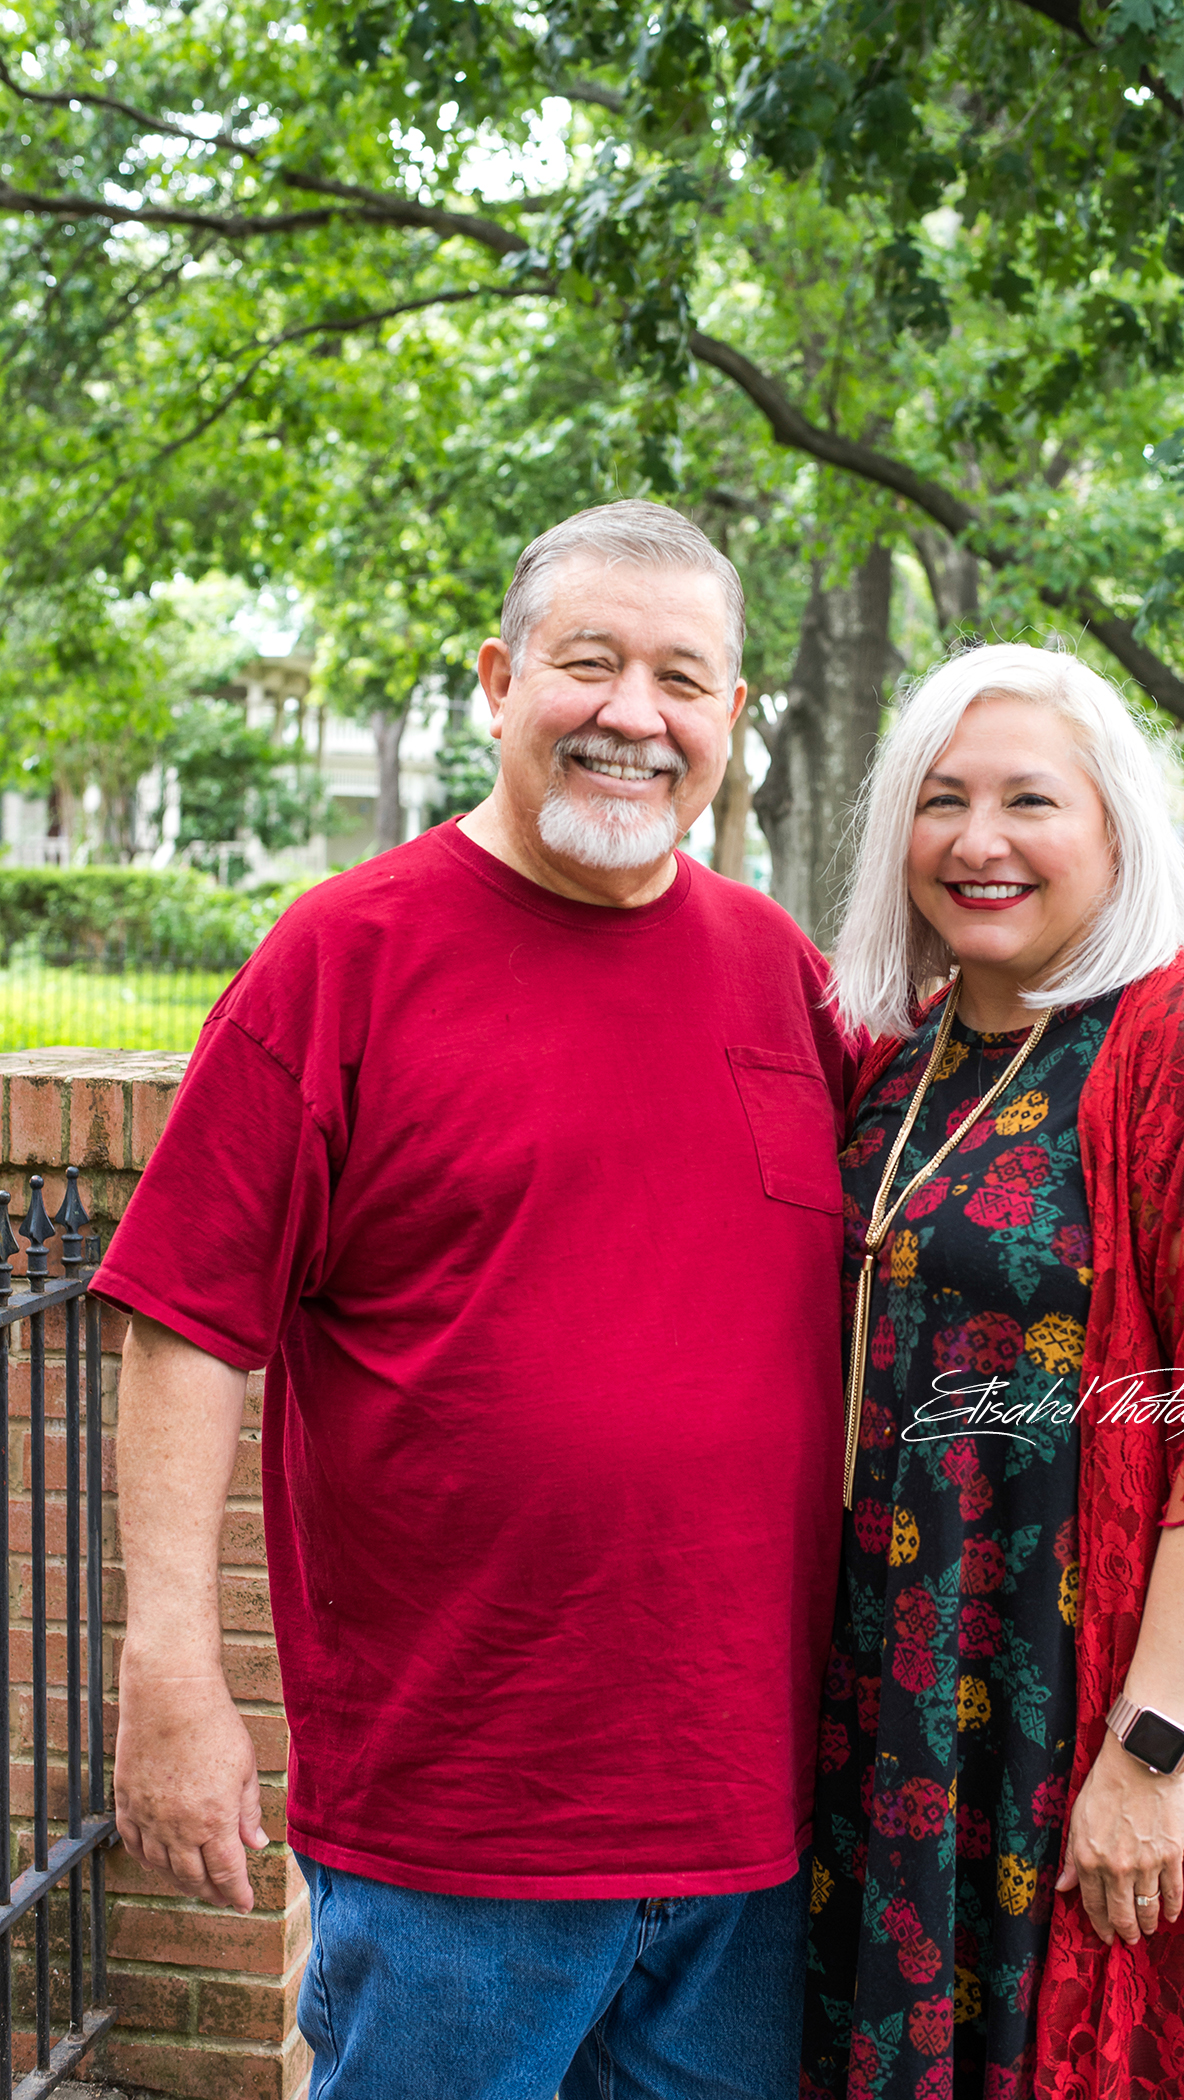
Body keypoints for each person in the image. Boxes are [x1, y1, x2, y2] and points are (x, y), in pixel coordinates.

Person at [95, 501, 863, 2100]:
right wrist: (170, 1669)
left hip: (748, 1823)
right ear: (500, 681)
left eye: (680, 678)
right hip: (458, 1832)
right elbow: (183, 1326)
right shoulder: (343, 957)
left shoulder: (778, 971)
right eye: (589, 663)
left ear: (729, 715)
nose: (632, 714)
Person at [801, 642, 1184, 2100]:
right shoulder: (903, 1061)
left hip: (1087, 1693)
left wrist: (1147, 1753)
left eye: (1028, 800)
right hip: (896, 1686)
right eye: (942, 800)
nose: (978, 840)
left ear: (1113, 825)